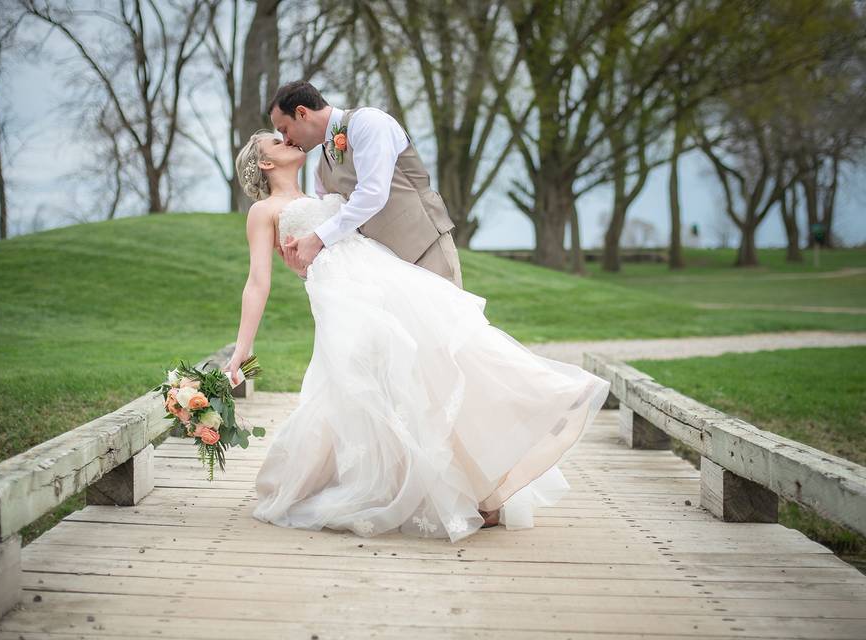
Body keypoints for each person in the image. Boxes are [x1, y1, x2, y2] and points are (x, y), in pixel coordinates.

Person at [221, 128, 610, 543]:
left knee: (440, 359)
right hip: (342, 299)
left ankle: (503, 453)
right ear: (265, 163)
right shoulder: (264, 211)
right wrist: (243, 348)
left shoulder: (323, 192)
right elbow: (257, 282)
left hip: (388, 280)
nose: (290, 141)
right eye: (277, 143)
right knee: (367, 385)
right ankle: (413, 487)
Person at [267, 80, 463, 289]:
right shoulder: (321, 169)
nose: (285, 140)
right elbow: (338, 227)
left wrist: (316, 240)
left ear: (302, 113)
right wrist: (306, 266)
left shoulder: (368, 122)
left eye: (284, 129)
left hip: (426, 251)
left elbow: (373, 194)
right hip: (382, 272)